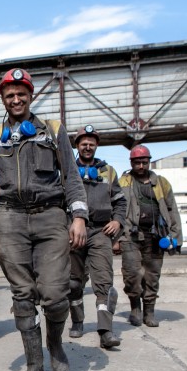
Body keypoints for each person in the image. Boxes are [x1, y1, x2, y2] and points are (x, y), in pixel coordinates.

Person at [0, 68, 88, 371]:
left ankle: (55, 344)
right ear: (2, 99)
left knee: (54, 295)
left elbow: (72, 178)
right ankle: (35, 366)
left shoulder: (53, 130)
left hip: (51, 216)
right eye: (9, 94)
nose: (16, 99)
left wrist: (78, 217)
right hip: (9, 219)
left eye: (21, 93)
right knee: (23, 297)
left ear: (31, 95)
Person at [67, 125, 126, 348]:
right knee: (73, 283)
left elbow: (120, 201)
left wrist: (117, 221)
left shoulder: (107, 171)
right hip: (74, 231)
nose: (88, 146)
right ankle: (78, 321)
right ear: (77, 146)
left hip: (101, 231)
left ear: (96, 146)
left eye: (92, 143)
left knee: (104, 281)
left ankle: (105, 330)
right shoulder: (68, 171)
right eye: (84, 143)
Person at [115, 144, 182, 328]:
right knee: (132, 274)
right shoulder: (123, 183)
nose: (141, 166)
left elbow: (172, 210)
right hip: (130, 236)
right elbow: (115, 209)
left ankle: (149, 312)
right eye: (137, 162)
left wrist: (175, 237)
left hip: (156, 238)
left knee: (152, 276)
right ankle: (135, 309)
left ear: (149, 162)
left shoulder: (162, 183)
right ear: (131, 163)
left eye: (144, 162)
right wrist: (115, 238)